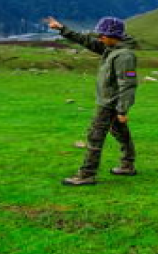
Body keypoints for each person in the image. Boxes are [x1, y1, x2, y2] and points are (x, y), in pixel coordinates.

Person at [43, 16, 138, 186]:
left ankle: (87, 174)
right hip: (111, 102)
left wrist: (122, 110)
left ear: (113, 35)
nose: (99, 37)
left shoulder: (124, 56)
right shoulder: (111, 48)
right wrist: (62, 29)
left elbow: (128, 84)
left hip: (109, 104)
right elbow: (87, 41)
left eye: (102, 35)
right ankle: (127, 164)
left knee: (95, 136)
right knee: (120, 133)